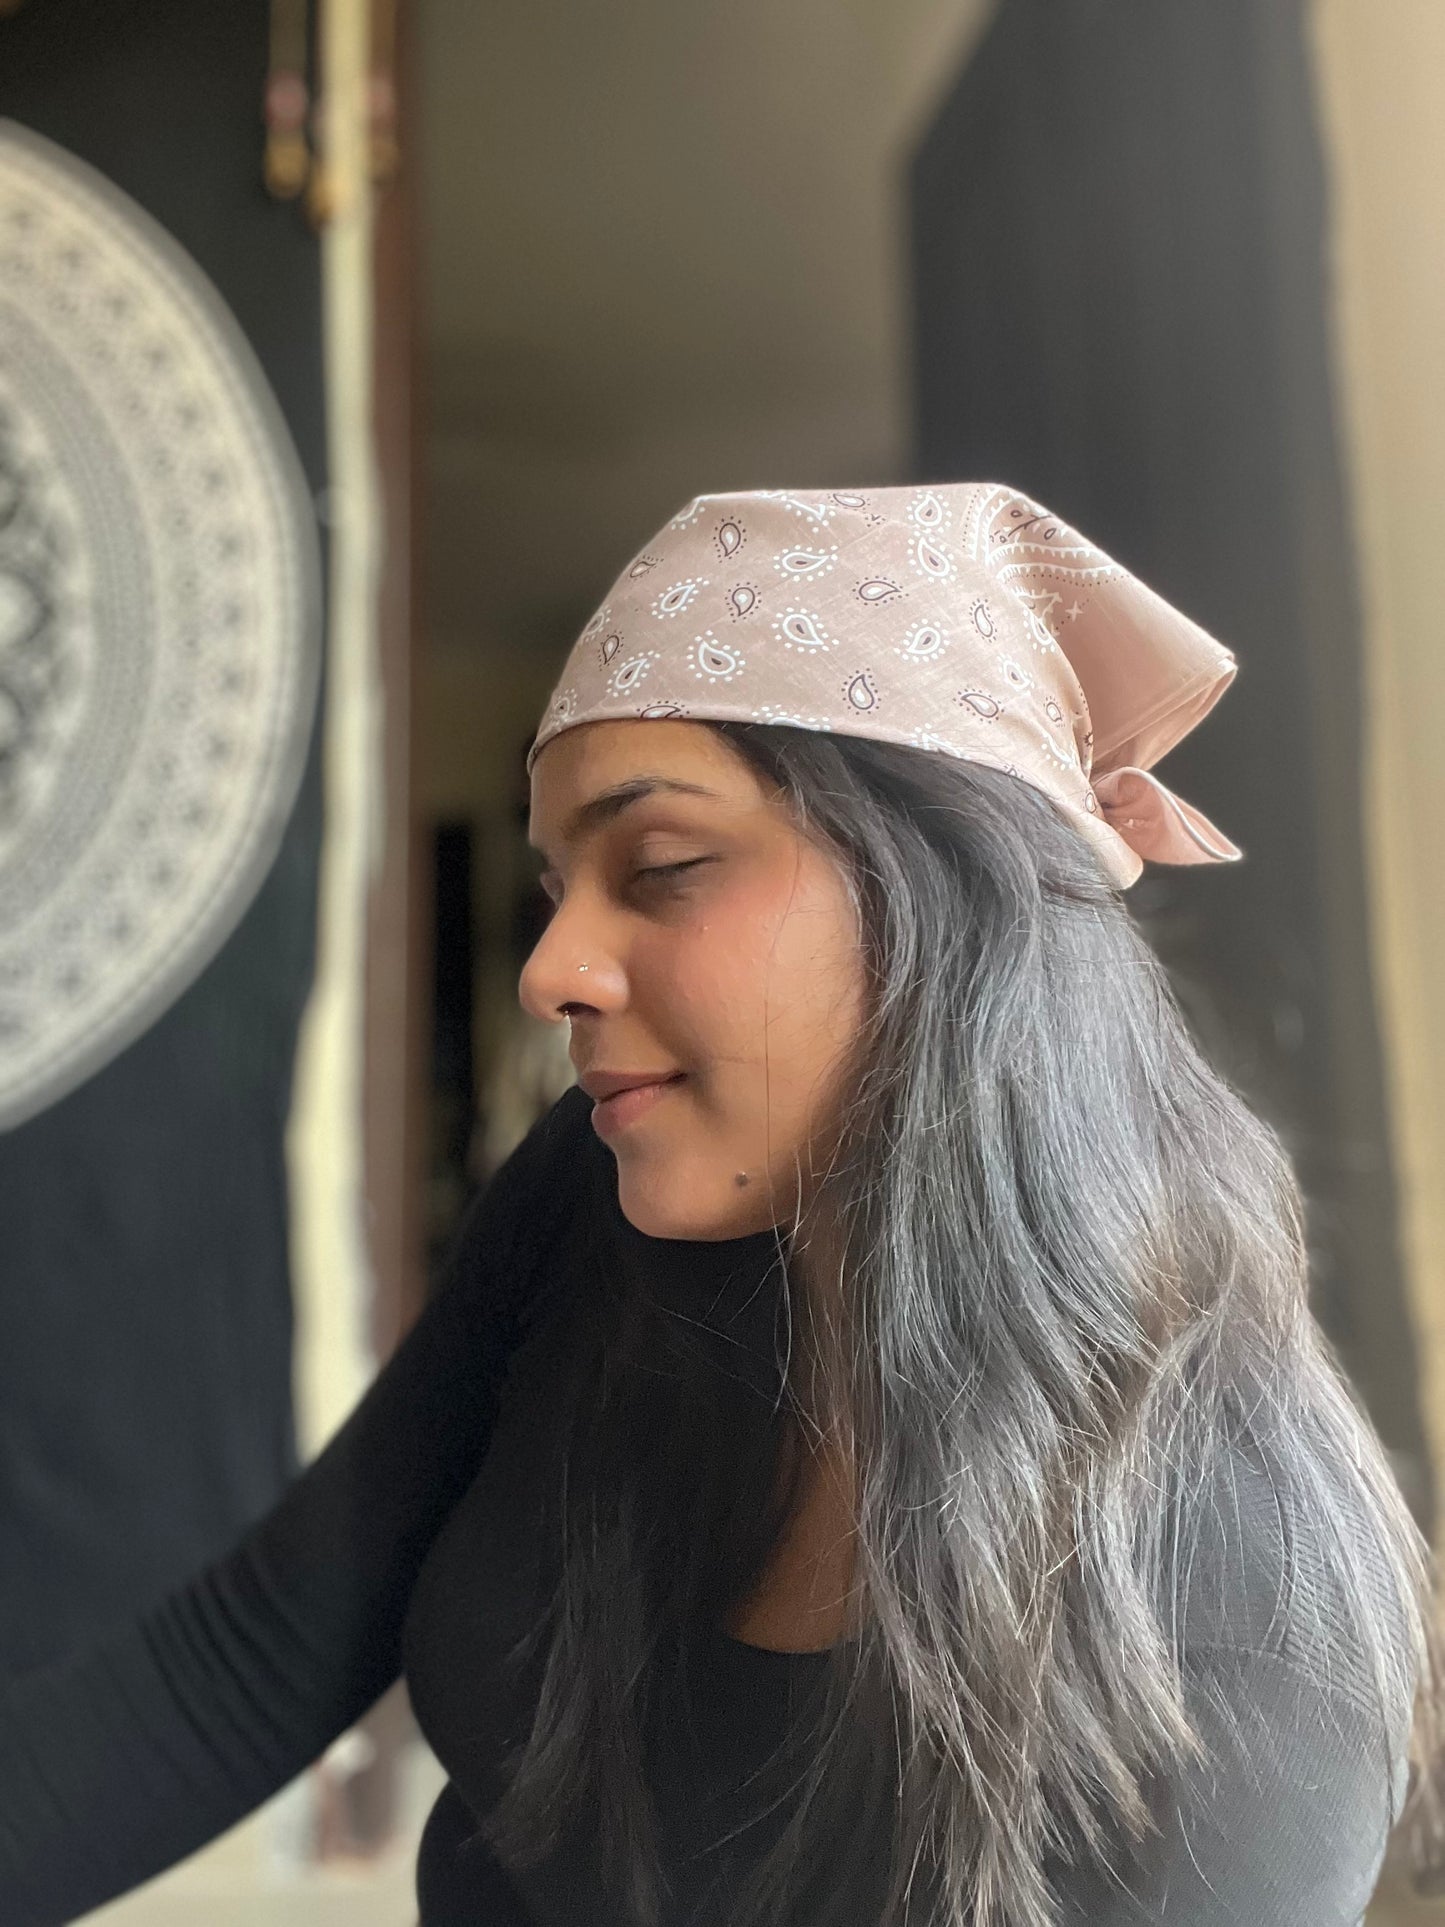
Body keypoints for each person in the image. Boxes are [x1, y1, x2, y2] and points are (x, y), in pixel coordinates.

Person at [1, 482, 1436, 1927]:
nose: (549, 968)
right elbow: (242, 1663)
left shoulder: (1252, 1618)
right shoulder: (595, 1200)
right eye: (558, 885)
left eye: (666, 868)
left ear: (950, 898)